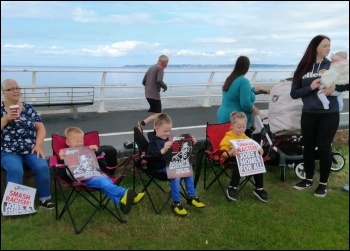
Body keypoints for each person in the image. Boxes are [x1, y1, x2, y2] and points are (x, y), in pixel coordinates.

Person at [290, 34, 343, 198]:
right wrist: (311, 87)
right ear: (315, 48)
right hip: (309, 114)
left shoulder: (333, 65)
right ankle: (307, 180)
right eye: (325, 46)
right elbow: (294, 93)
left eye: (329, 45)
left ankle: (323, 184)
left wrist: (335, 88)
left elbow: (345, 84)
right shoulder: (303, 67)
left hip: (329, 114)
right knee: (308, 148)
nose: (328, 49)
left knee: (324, 147)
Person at [58, 127, 145, 214]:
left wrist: (97, 152)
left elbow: (103, 166)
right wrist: (62, 159)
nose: (79, 143)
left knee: (105, 184)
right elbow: (62, 174)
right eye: (76, 141)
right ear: (68, 142)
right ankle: (126, 194)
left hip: (96, 174)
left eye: (81, 141)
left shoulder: (87, 151)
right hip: (82, 179)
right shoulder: (65, 154)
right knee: (102, 182)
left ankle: (121, 203)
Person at [1, 78, 55, 209]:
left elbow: (40, 128)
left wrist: (38, 145)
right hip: (8, 150)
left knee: (42, 166)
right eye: (11, 89)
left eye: (17, 88)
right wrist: (7, 118)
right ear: (4, 92)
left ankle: (44, 199)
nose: (16, 91)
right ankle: (15, 206)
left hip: (30, 149)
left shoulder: (29, 108)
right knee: (15, 169)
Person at [146, 113, 205, 216]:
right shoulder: (153, 142)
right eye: (165, 131)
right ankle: (176, 203)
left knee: (187, 170)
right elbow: (151, 155)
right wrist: (163, 150)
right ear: (156, 127)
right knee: (176, 175)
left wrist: (190, 142)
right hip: (158, 167)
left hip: (171, 164)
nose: (167, 133)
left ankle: (192, 197)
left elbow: (180, 148)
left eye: (169, 131)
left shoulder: (169, 139)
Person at [219, 111, 268, 202]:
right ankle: (232, 187)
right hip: (230, 158)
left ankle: (259, 188)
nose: (242, 129)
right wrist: (231, 153)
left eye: (244, 127)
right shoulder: (228, 137)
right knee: (239, 161)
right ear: (232, 126)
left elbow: (253, 146)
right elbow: (222, 154)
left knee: (257, 159)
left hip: (245, 158)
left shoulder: (244, 136)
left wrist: (259, 149)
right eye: (239, 127)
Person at [216, 55, 270, 137]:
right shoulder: (244, 81)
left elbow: (243, 91)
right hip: (237, 120)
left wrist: (259, 90)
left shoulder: (231, 79)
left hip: (223, 116)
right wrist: (254, 109)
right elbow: (245, 103)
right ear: (247, 67)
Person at [137, 55, 169, 133]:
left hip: (148, 94)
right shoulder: (160, 68)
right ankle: (142, 123)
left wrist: (149, 87)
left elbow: (143, 81)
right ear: (163, 62)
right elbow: (159, 80)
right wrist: (165, 87)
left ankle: (156, 130)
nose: (167, 65)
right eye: (167, 63)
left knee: (159, 111)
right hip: (154, 95)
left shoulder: (151, 68)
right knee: (158, 114)